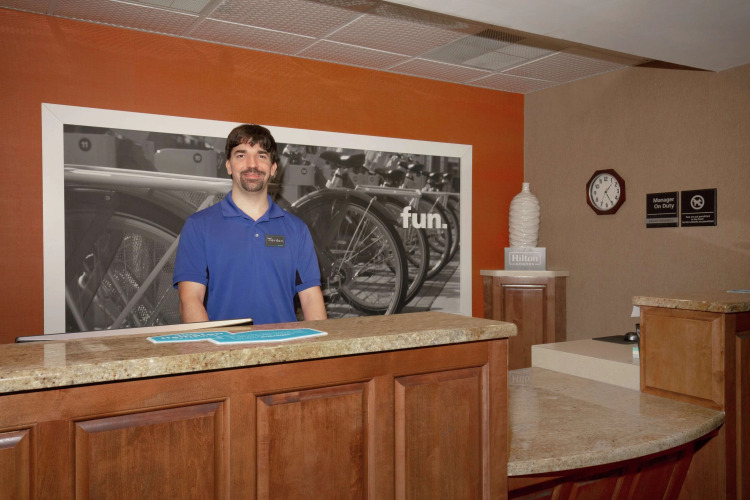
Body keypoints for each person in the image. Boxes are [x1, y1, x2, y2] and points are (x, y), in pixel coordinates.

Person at [172, 124, 327, 325]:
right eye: (241, 155)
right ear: (229, 166)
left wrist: (320, 343)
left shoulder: (297, 229)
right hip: (223, 344)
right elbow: (190, 300)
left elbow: (311, 298)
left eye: (261, 156)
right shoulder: (199, 226)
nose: (252, 164)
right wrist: (212, 345)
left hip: (285, 343)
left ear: (273, 168)